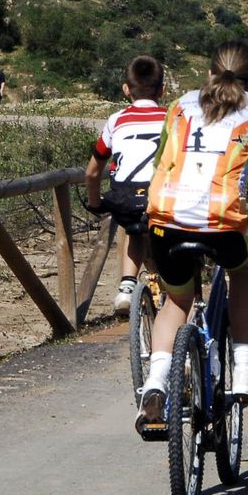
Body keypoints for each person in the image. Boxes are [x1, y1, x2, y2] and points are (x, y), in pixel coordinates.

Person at [135, 41, 248, 436]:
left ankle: (156, 383)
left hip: (166, 219)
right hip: (222, 222)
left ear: (209, 73)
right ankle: (245, 367)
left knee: (177, 300)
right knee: (241, 272)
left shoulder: (179, 106)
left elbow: (161, 162)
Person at [82, 56, 167, 317]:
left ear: (126, 89)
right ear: (162, 90)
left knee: (130, 226)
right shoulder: (173, 118)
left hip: (126, 197)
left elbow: (93, 172)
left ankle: (126, 287)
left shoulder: (116, 120)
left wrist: (96, 203)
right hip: (163, 198)